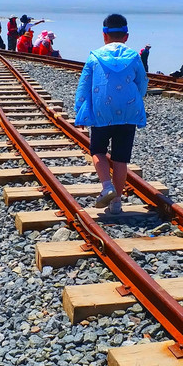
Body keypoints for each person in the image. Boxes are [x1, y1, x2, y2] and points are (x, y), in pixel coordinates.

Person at [74, 13, 147, 216]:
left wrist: (79, 111)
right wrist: (135, 101)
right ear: (126, 36)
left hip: (101, 112)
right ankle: (116, 203)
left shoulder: (95, 56)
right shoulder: (134, 57)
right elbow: (142, 84)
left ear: (104, 35)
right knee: (121, 159)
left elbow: (84, 86)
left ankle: (107, 186)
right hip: (128, 113)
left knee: (97, 151)